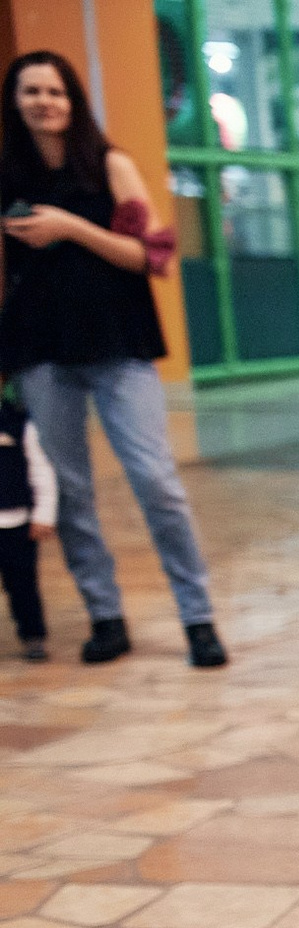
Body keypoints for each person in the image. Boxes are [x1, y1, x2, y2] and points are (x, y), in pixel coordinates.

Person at [0, 51, 222, 668]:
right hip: (40, 349)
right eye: (30, 91)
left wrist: (70, 227)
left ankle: (198, 618)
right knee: (71, 491)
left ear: (73, 100)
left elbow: (154, 258)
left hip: (119, 344)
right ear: (15, 102)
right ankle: (105, 616)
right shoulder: (8, 176)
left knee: (157, 482)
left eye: (55, 91)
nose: (44, 101)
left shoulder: (110, 165)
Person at [0, 386, 56, 660]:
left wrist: (44, 513)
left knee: (22, 584)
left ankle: (33, 634)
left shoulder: (20, 422)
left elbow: (41, 468)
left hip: (15, 522)